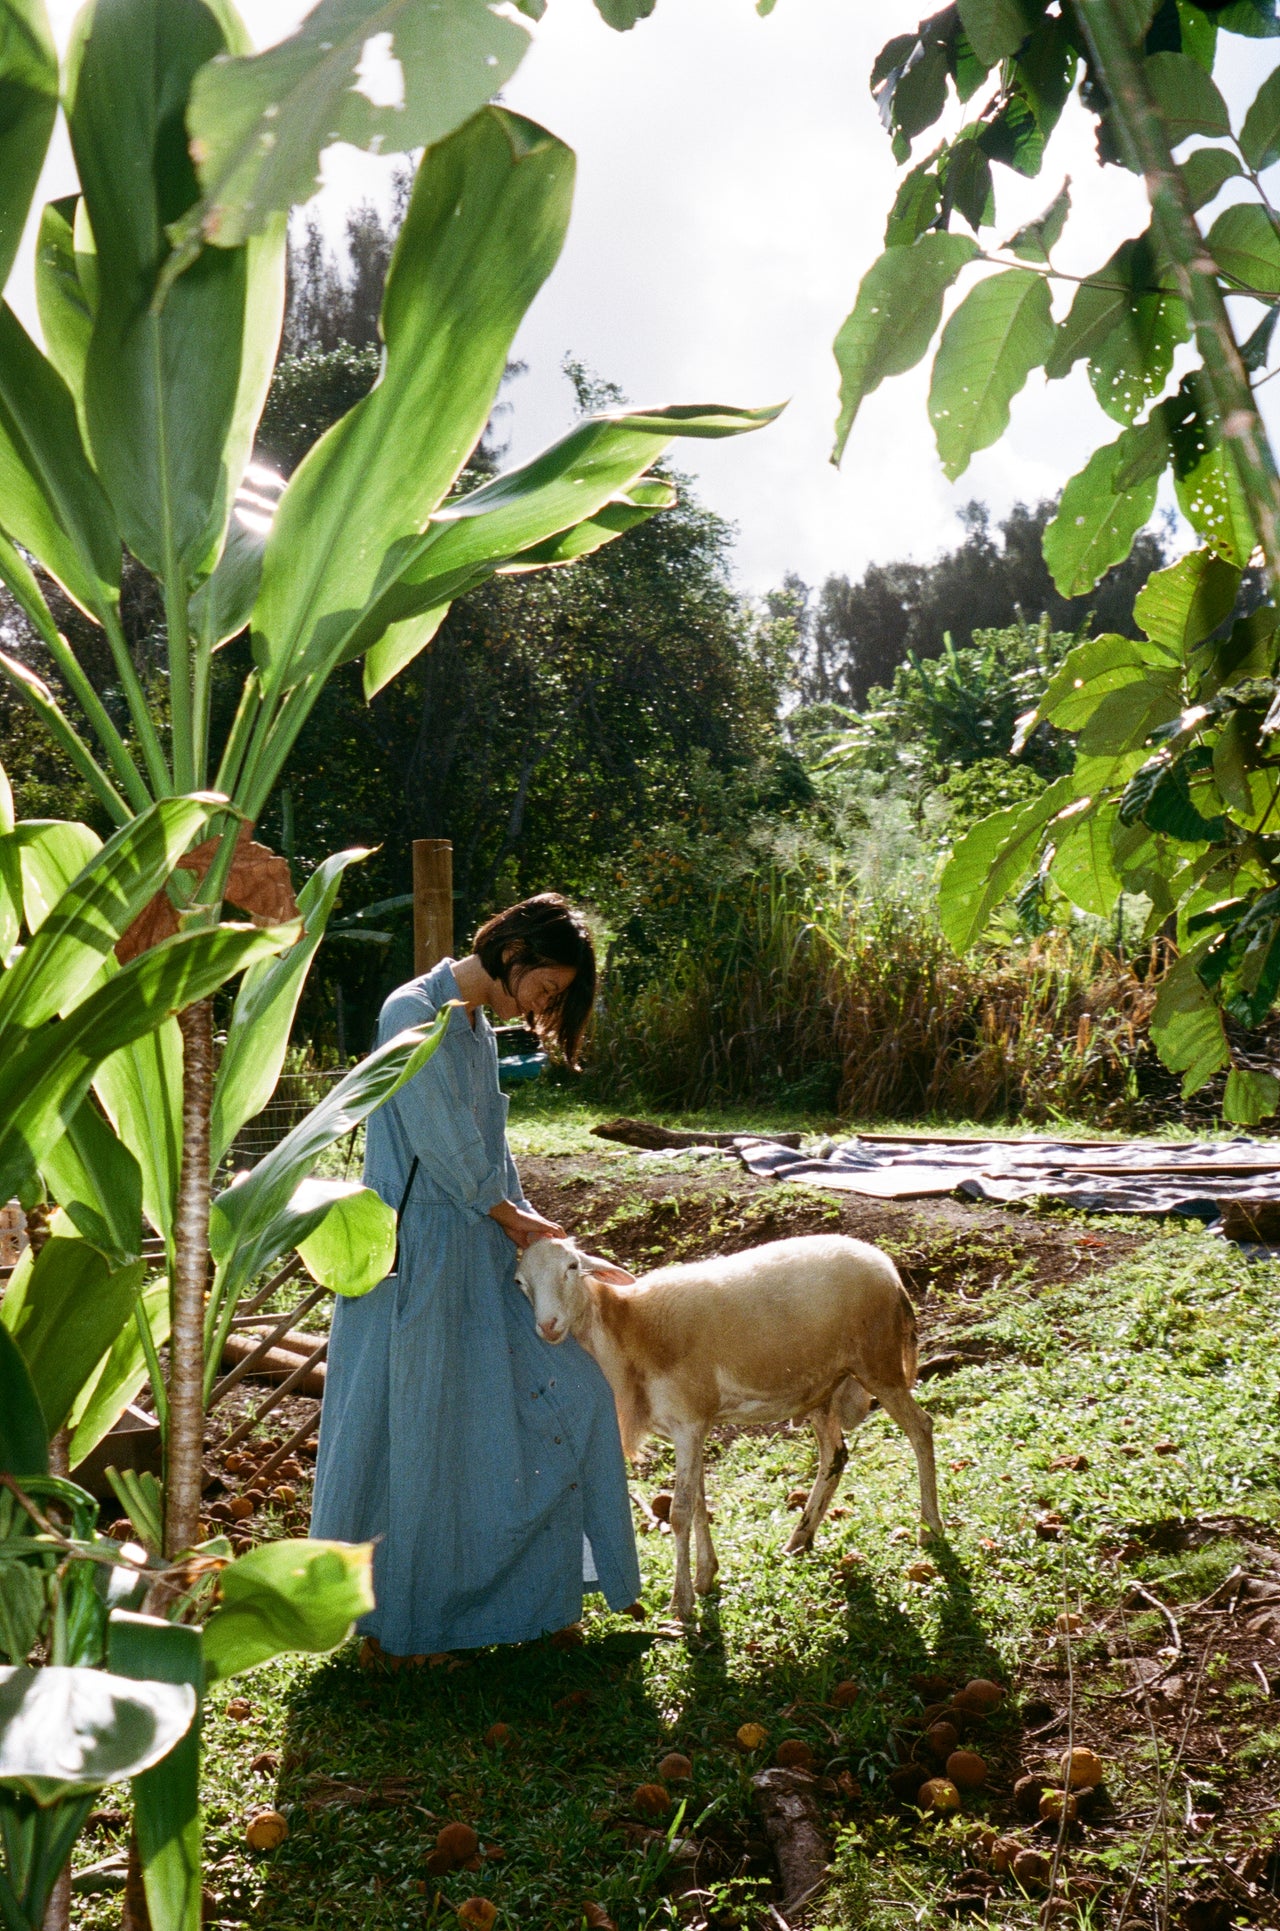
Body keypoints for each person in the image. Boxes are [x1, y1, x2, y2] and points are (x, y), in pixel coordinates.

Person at [310, 894, 641, 1655]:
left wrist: (548, 1238)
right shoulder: (411, 1012)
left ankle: (542, 1602)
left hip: (480, 1247)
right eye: (547, 988)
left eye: (553, 999)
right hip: (414, 1258)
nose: (541, 1005)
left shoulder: (477, 1029)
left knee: (574, 1397)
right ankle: (398, 1628)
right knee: (411, 1439)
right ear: (514, 949)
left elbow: (493, 1158)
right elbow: (447, 1149)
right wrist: (512, 1219)